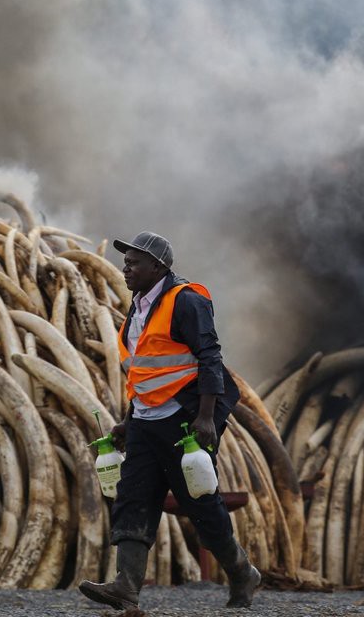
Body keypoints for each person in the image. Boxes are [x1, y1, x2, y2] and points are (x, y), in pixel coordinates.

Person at [79, 231, 261, 609]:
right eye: (125, 262)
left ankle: (242, 572)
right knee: (132, 498)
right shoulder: (138, 308)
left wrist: (206, 417)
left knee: (200, 503)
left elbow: (210, 357)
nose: (126, 269)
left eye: (134, 263)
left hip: (183, 421)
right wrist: (129, 421)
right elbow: (143, 373)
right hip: (145, 421)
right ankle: (126, 586)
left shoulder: (186, 301)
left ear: (158, 266)